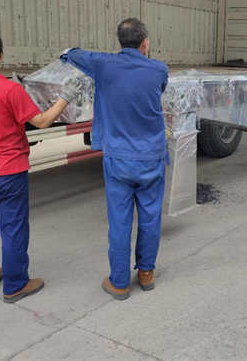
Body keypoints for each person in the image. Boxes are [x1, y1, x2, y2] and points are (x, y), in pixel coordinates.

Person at [0, 28, 80, 303]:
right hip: (8, 170)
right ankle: (15, 284)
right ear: (1, 54)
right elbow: (42, 121)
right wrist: (66, 96)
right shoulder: (10, 89)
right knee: (13, 227)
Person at [61, 18, 169, 300]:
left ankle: (119, 282)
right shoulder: (159, 69)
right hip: (152, 156)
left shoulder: (102, 64)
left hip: (119, 158)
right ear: (145, 43)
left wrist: (69, 53)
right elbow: (159, 90)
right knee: (150, 217)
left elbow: (72, 54)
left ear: (119, 42)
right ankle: (146, 273)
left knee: (120, 221)